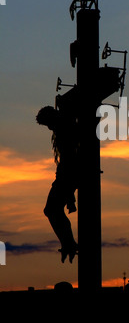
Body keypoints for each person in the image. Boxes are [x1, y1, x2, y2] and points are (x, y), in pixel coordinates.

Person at [36, 106, 78, 263]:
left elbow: (68, 160)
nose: (49, 128)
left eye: (48, 124)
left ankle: (69, 242)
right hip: (66, 176)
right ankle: (68, 242)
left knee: (51, 209)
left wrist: (69, 196)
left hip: (67, 176)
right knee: (53, 210)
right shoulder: (65, 129)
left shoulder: (64, 132)